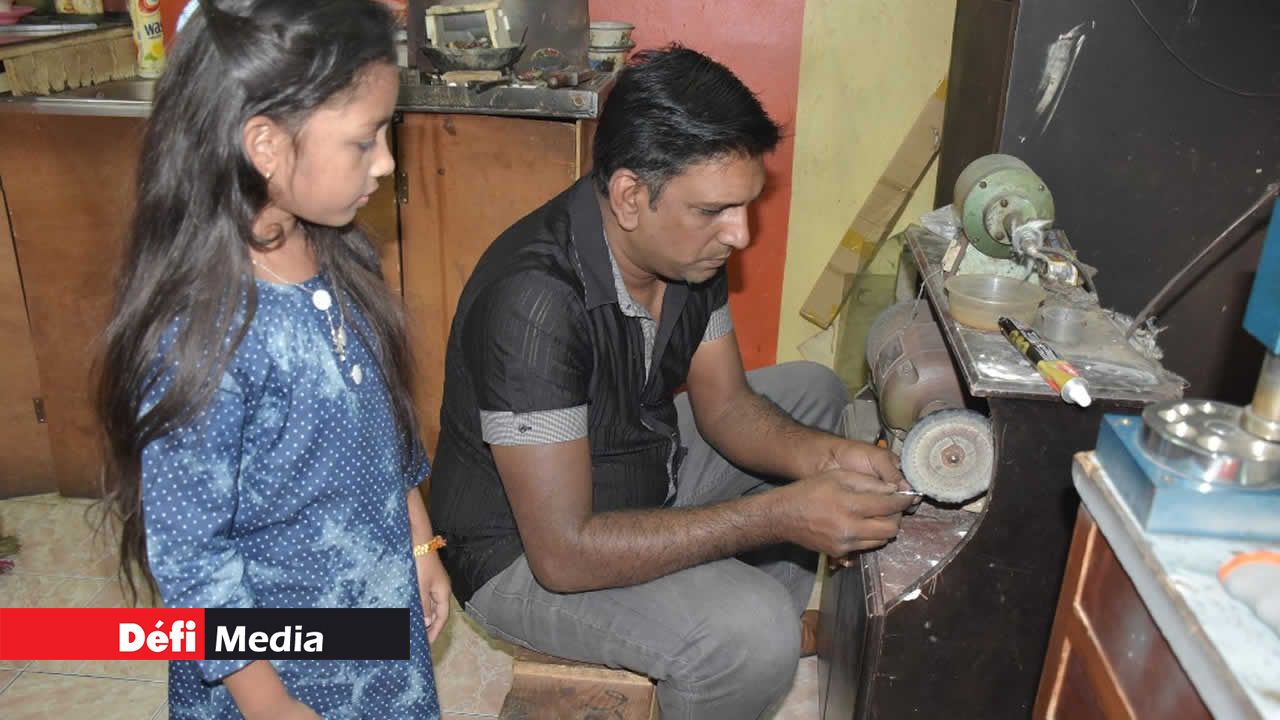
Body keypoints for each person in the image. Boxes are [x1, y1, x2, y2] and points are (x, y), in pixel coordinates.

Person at [429, 45, 915, 719]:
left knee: (813, 392)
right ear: (630, 196)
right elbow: (564, 555)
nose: (740, 234)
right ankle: (739, 639)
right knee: (750, 633)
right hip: (522, 553)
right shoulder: (534, 305)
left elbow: (730, 409)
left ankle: (728, 642)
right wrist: (777, 516)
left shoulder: (686, 253)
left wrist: (834, 459)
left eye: (746, 206)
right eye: (715, 210)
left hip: (630, 466)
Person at [96, 2, 448, 718]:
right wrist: (267, 703)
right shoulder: (201, 336)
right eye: (365, 140)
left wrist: (420, 545)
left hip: (375, 620)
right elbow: (192, 557)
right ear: (265, 145)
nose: (385, 161)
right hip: (278, 670)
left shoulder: (341, 253)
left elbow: (382, 427)